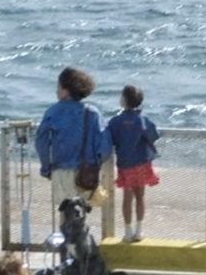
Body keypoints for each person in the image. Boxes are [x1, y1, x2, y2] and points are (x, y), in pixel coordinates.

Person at [36, 67, 106, 211]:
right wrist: (97, 162)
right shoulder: (93, 113)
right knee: (81, 210)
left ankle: (69, 225)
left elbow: (41, 141)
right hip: (87, 172)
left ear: (66, 89)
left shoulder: (53, 111)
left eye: (59, 87)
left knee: (67, 211)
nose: (56, 91)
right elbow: (104, 144)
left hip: (62, 170)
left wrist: (46, 168)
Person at [106, 85, 161, 242]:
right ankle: (139, 230)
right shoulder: (143, 119)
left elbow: (110, 139)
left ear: (124, 100)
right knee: (140, 197)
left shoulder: (116, 121)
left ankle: (128, 231)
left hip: (125, 163)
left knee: (127, 197)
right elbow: (153, 135)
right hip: (142, 162)